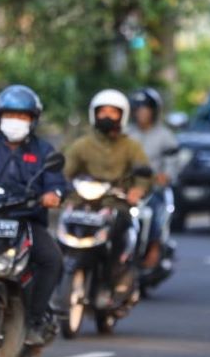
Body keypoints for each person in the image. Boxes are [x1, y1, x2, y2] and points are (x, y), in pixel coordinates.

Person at [0, 84, 67, 345]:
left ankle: (36, 319)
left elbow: (57, 184)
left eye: (22, 116)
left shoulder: (43, 151)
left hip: (24, 222)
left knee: (52, 260)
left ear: (33, 120)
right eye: (10, 115)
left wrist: (53, 195)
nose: (15, 121)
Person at [63, 89, 152, 293]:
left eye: (113, 112)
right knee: (64, 227)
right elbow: (66, 172)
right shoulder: (81, 145)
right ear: (94, 114)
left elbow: (144, 174)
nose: (107, 116)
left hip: (115, 202)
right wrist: (59, 189)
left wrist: (137, 190)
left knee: (122, 227)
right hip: (83, 203)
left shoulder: (131, 146)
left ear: (123, 115)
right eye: (103, 112)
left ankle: (117, 270)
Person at [128, 87, 180, 269]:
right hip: (129, 187)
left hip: (153, 189)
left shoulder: (164, 135)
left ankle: (154, 246)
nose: (142, 113)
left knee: (157, 211)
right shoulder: (127, 133)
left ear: (153, 111)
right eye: (138, 109)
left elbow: (173, 162)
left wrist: (165, 176)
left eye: (146, 109)